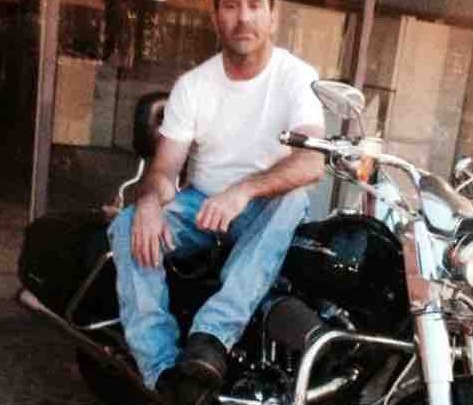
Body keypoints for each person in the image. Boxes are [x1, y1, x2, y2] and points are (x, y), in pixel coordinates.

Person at [107, 0, 325, 403]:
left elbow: (312, 162)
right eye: (230, 6)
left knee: (294, 199)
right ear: (215, 18)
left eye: (254, 5)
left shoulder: (296, 77)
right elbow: (163, 170)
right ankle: (164, 373)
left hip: (266, 206)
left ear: (273, 16)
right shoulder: (193, 85)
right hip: (201, 205)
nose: (243, 17)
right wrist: (149, 203)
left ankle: (210, 337)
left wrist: (243, 191)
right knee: (127, 225)